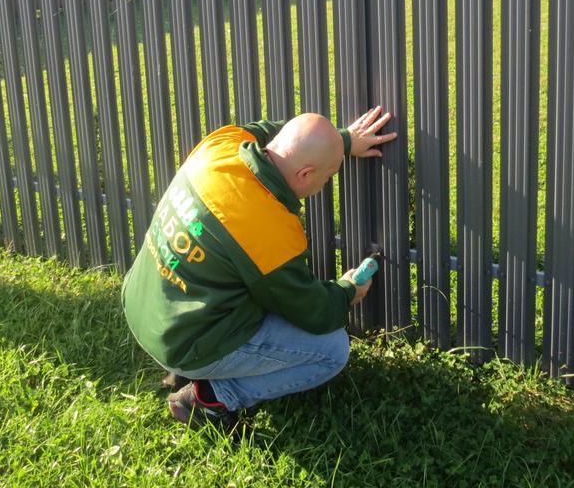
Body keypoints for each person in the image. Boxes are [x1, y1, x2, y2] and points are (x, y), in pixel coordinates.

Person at [121, 105, 397, 434]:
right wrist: (347, 291)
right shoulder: (270, 231)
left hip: (141, 304)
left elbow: (271, 131)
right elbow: (314, 311)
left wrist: (343, 140)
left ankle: (190, 366)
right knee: (331, 350)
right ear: (305, 174)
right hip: (183, 342)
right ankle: (210, 398)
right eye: (328, 176)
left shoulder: (221, 145)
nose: (325, 183)